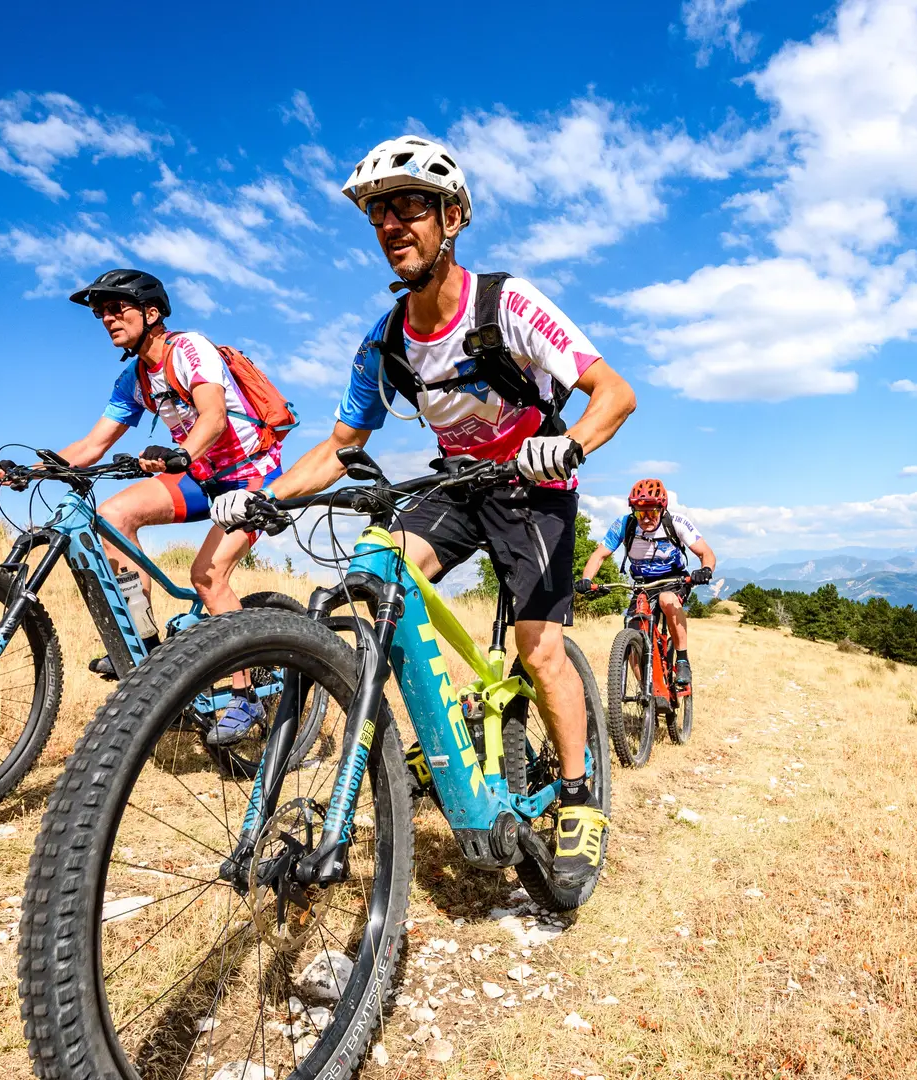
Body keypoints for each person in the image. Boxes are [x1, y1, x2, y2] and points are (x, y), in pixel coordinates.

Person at [212, 135, 636, 894]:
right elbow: (342, 444)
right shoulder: (385, 339)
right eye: (380, 212)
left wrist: (567, 446)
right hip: (458, 485)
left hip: (534, 486)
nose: (393, 224)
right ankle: (432, 732)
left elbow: (614, 393)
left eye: (412, 207)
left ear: (453, 218)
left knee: (540, 651)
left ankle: (577, 796)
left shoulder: (505, 302)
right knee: (372, 575)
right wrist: (269, 498)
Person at [0, 268, 283, 745]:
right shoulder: (134, 376)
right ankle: (144, 644)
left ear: (151, 313)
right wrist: (32, 469)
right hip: (200, 474)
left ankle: (245, 696)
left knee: (208, 577)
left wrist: (182, 452)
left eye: (116, 308)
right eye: (100, 312)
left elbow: (211, 416)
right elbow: (92, 445)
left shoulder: (189, 350)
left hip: (252, 472)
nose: (107, 318)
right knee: (112, 516)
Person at [578, 478, 716, 686]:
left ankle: (682, 659)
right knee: (634, 638)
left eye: (652, 512)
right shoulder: (625, 524)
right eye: (640, 512)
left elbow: (706, 553)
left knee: (667, 599)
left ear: (662, 508)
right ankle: (648, 694)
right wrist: (586, 580)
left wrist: (705, 570)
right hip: (642, 583)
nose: (646, 518)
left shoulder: (676, 523)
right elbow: (599, 555)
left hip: (674, 578)